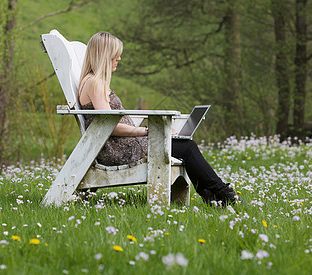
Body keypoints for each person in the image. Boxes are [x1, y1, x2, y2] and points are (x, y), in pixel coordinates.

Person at [78, 32, 242, 206]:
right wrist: (149, 132)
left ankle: (215, 195)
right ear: (103, 55)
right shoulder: (95, 83)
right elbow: (110, 126)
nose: (119, 58)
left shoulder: (93, 81)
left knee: (183, 144)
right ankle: (223, 195)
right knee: (186, 147)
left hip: (123, 144)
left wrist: (154, 133)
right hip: (116, 149)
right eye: (115, 54)